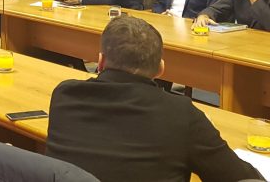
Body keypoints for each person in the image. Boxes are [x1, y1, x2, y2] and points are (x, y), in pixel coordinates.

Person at [46, 15, 261, 182]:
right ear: (161, 69)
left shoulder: (64, 95)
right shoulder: (180, 114)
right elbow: (237, 176)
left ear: (100, 62)